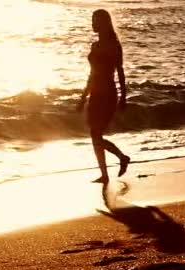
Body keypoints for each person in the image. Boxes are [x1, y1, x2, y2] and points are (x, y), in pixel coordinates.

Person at [77, 9, 130, 184]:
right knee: (94, 134)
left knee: (96, 134)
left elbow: (120, 72)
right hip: (95, 93)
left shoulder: (114, 45)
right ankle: (105, 173)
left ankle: (122, 158)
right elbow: (91, 74)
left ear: (104, 23)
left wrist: (123, 96)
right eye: (92, 20)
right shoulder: (95, 45)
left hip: (107, 93)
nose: (93, 24)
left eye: (96, 20)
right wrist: (83, 97)